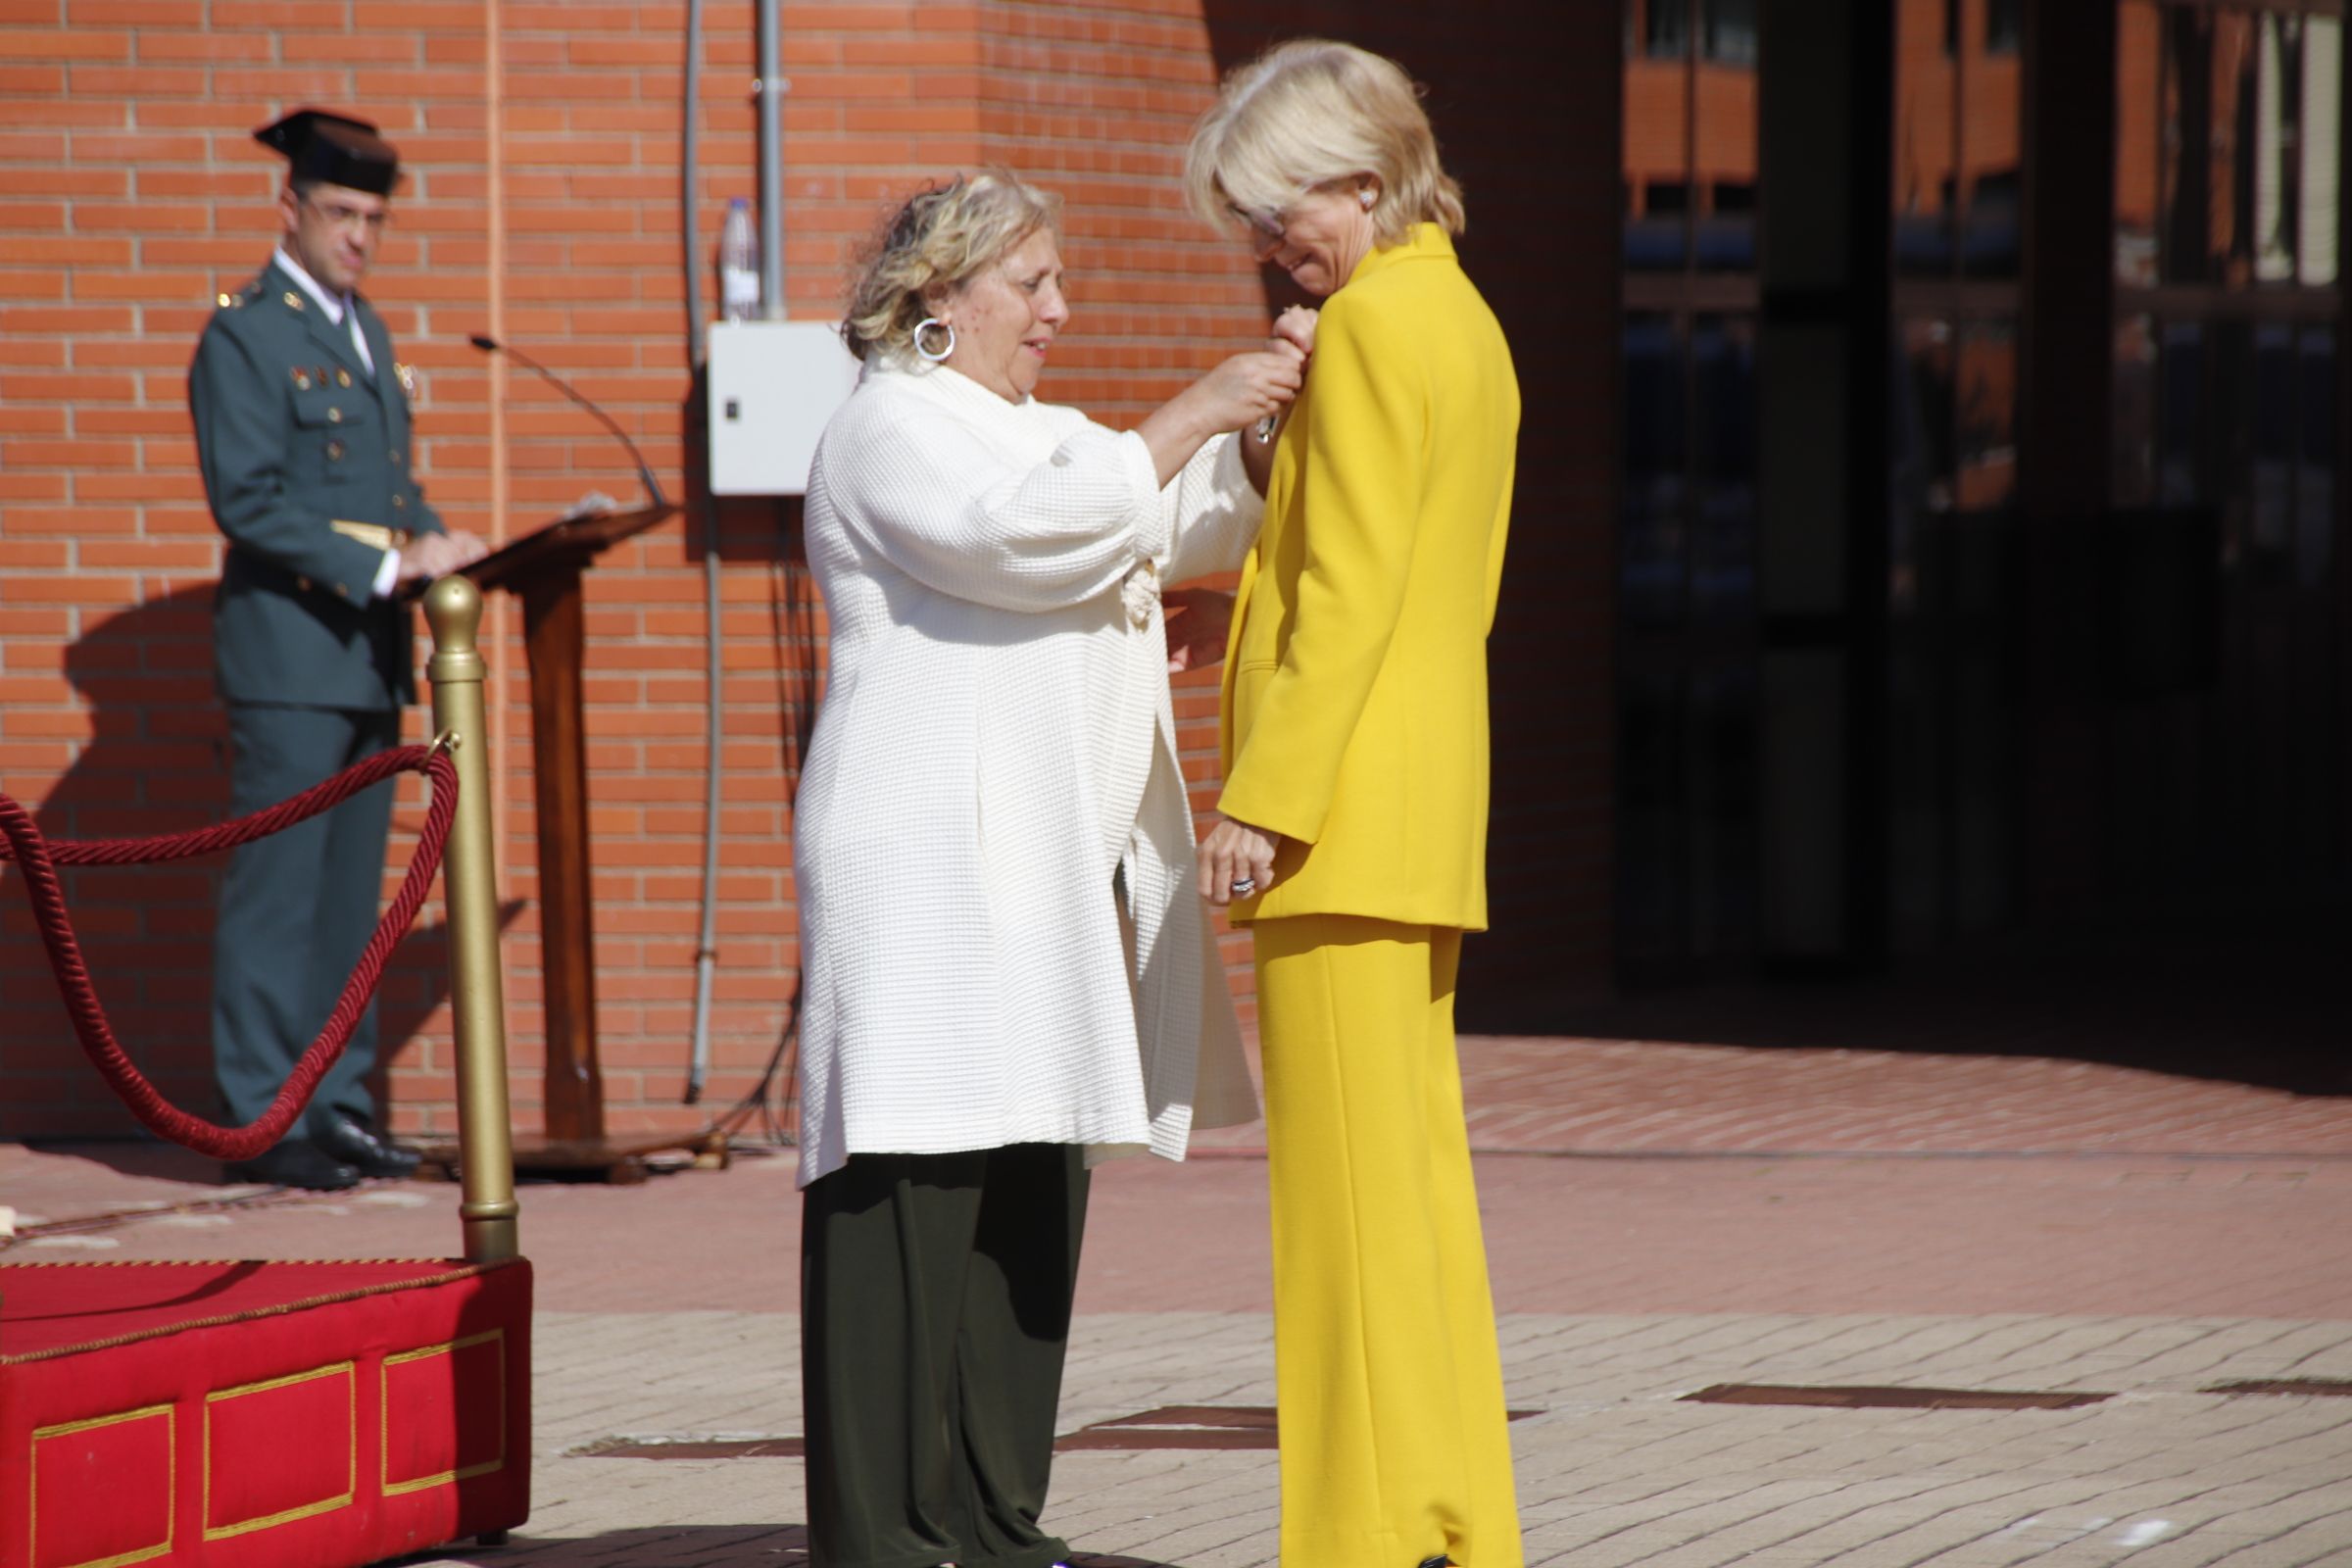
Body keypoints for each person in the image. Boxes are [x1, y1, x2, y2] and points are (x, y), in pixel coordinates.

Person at [792, 171, 1306, 1568]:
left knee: (1030, 1173)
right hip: (925, 864)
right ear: (937, 301)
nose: (1059, 312)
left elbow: (1170, 511)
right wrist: (1203, 403)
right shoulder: (893, 428)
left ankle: (995, 1517)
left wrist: (1270, 430)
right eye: (1034, 285)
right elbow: (1021, 536)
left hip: (1040, 865)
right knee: (910, 1184)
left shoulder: (1028, 429)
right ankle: (885, 1532)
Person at [1185, 40, 1526, 1568]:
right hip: (1413, 805)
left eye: (1278, 210)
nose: (1267, 244)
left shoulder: (1377, 329)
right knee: (1417, 1201)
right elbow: (1383, 562)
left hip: (1339, 818)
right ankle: (1451, 1516)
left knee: (1344, 1223)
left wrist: (1266, 796)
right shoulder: (1451, 314)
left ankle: (1357, 1536)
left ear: (1366, 182)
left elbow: (1353, 588)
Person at [190, 109, 486, 1192]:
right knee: (279, 892)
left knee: (348, 900)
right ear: (293, 210)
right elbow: (248, 499)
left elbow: (384, 489)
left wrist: (436, 537)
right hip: (289, 662)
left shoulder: (366, 332)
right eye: (343, 214)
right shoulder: (247, 333)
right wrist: (383, 565)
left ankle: (336, 1102)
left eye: (375, 218)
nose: (360, 236)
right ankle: (264, 1121)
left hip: (365, 657)